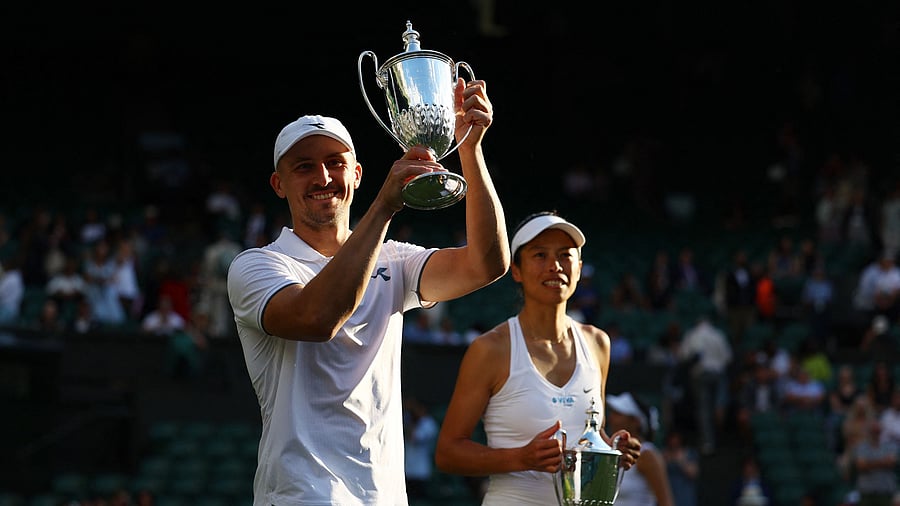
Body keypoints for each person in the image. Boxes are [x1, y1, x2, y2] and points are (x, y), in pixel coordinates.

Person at [226, 75, 509, 506]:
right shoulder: (257, 265)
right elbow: (317, 318)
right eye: (303, 167)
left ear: (356, 175)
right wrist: (384, 206)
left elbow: (486, 264)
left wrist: (470, 149)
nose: (322, 176)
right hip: (302, 496)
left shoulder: (394, 259)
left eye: (335, 163)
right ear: (279, 185)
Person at [433, 211, 641, 506]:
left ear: (579, 268)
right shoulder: (491, 349)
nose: (554, 266)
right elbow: (447, 453)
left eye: (565, 256)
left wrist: (612, 448)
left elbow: (587, 436)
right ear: (516, 270)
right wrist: (521, 458)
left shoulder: (598, 343)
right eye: (539, 255)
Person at [606, 392, 675, 506]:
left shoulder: (647, 454)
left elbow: (666, 502)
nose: (611, 418)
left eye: (618, 414)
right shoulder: (611, 452)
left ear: (635, 421)